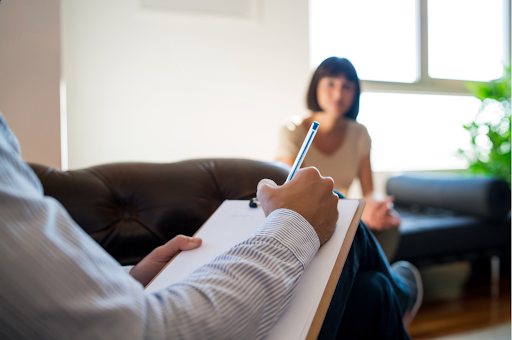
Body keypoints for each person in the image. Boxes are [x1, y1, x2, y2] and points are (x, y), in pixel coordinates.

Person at [0, 112, 420, 339]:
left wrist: (126, 279)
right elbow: (150, 331)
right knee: (346, 221)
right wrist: (295, 224)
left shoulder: (358, 133)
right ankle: (403, 293)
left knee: (373, 293)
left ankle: (395, 294)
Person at [276, 56, 401, 260]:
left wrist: (376, 206)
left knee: (387, 222)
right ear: (316, 86)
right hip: (307, 218)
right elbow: (290, 192)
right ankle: (398, 287)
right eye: (331, 84)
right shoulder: (293, 130)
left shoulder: (360, 133)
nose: (338, 93)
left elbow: (369, 191)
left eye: (347, 86)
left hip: (343, 216)